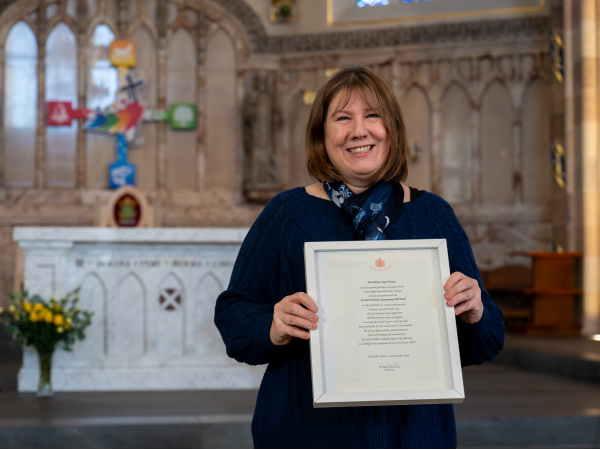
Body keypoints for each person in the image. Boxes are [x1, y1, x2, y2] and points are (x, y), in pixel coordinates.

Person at [215, 65, 504, 449]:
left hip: (413, 436)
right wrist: (273, 323)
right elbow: (233, 315)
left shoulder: (434, 215)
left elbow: (486, 341)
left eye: (372, 115)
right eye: (342, 118)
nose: (359, 130)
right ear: (322, 134)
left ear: (392, 129)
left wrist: (475, 310)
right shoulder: (286, 214)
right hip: (307, 433)